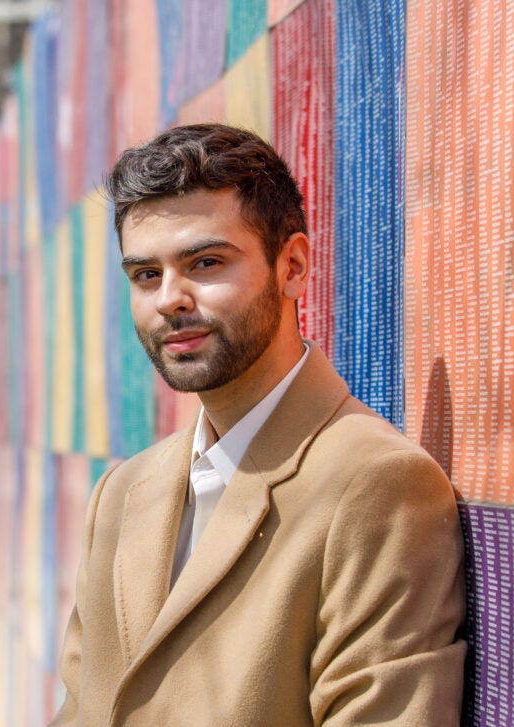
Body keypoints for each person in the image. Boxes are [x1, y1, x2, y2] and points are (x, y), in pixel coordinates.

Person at [51, 124, 465, 726]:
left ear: (292, 266)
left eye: (206, 262)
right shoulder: (121, 493)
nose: (171, 298)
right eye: (146, 275)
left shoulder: (375, 483)